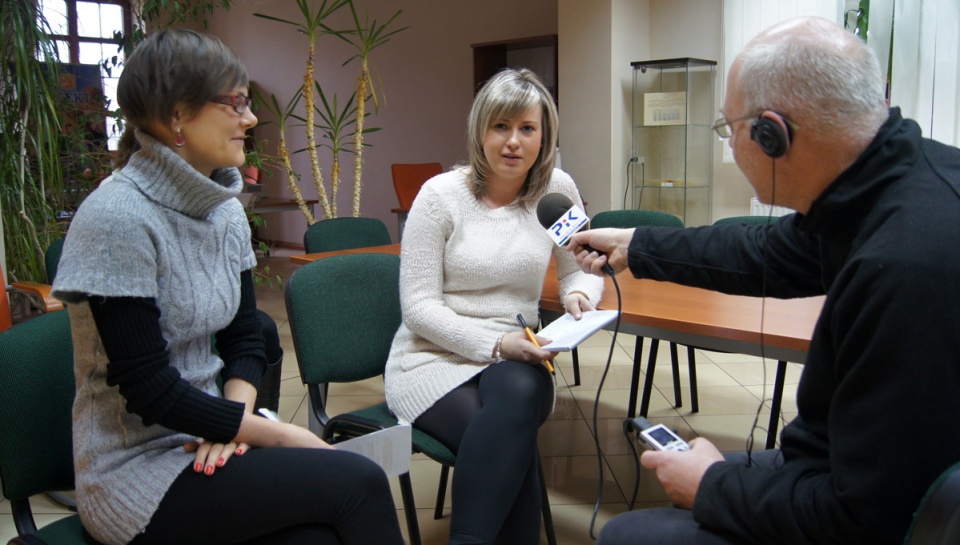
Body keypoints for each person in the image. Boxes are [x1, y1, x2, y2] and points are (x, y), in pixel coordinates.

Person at [571, 16, 960, 545]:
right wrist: (638, 245)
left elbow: (867, 518)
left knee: (628, 535)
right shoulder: (890, 185)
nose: (730, 146)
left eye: (729, 129)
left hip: (874, 513)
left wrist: (713, 484)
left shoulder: (904, 268)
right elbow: (766, 251)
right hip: (853, 473)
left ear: (772, 134)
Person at [52, 28, 404, 545]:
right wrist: (277, 432)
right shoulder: (117, 218)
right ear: (176, 115)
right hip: (134, 470)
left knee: (318, 537)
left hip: (208, 434)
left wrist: (230, 424)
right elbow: (149, 389)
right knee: (358, 483)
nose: (251, 117)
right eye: (235, 102)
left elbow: (245, 337)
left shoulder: (224, 212)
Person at [383, 68, 604, 544]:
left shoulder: (556, 190)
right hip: (432, 357)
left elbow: (579, 266)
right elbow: (418, 308)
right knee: (511, 447)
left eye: (527, 128)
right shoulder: (441, 197)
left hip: (517, 350)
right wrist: (495, 344)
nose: (513, 142)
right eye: (501, 126)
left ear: (545, 137)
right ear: (479, 130)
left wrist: (579, 296)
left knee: (519, 400)